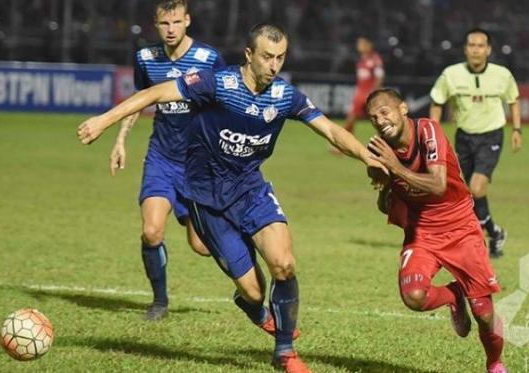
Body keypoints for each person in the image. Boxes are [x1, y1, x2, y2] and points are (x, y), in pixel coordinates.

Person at [78, 23, 385, 373]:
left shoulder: (284, 95)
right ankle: (254, 308)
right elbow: (154, 94)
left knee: (284, 264)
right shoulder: (218, 84)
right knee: (254, 293)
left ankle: (284, 352)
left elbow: (330, 129)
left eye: (280, 57)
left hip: (251, 190)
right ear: (249, 55)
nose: (274, 65)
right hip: (206, 200)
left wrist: (367, 157)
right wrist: (104, 120)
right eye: (267, 57)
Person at [366, 88, 507, 373]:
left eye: (384, 112)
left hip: (460, 228)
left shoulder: (427, 130)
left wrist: (397, 168)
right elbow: (386, 205)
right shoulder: (379, 149)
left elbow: (438, 184)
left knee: (484, 313)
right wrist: (383, 189)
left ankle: (494, 364)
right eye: (373, 117)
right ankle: (455, 295)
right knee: (414, 296)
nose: (380, 121)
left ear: (403, 108)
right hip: (422, 234)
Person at [101, 0, 225, 321]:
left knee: (201, 246)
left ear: (187, 21)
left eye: (176, 23)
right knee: (152, 231)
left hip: (199, 165)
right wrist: (120, 140)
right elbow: (138, 101)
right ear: (155, 25)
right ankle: (159, 302)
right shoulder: (146, 58)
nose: (170, 30)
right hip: (162, 159)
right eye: (163, 24)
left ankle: (240, 250)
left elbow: (227, 102)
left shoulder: (209, 59)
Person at [429, 27, 522, 258]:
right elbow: (437, 102)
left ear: (488, 50)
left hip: (491, 135)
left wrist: (517, 129)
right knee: (467, 193)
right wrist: (434, 132)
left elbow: (514, 100)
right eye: (471, 45)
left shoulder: (502, 75)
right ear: (465, 49)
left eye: (480, 46)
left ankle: (476, 240)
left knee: (477, 187)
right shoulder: (451, 74)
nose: (476, 50)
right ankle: (495, 232)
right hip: (464, 137)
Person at [344, 36, 384, 134]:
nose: (359, 46)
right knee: (351, 116)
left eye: (362, 44)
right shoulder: (361, 59)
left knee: (378, 118)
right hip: (360, 93)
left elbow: (380, 76)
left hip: (370, 93)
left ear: (369, 45)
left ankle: (385, 141)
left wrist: (374, 92)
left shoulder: (375, 59)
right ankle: (345, 143)